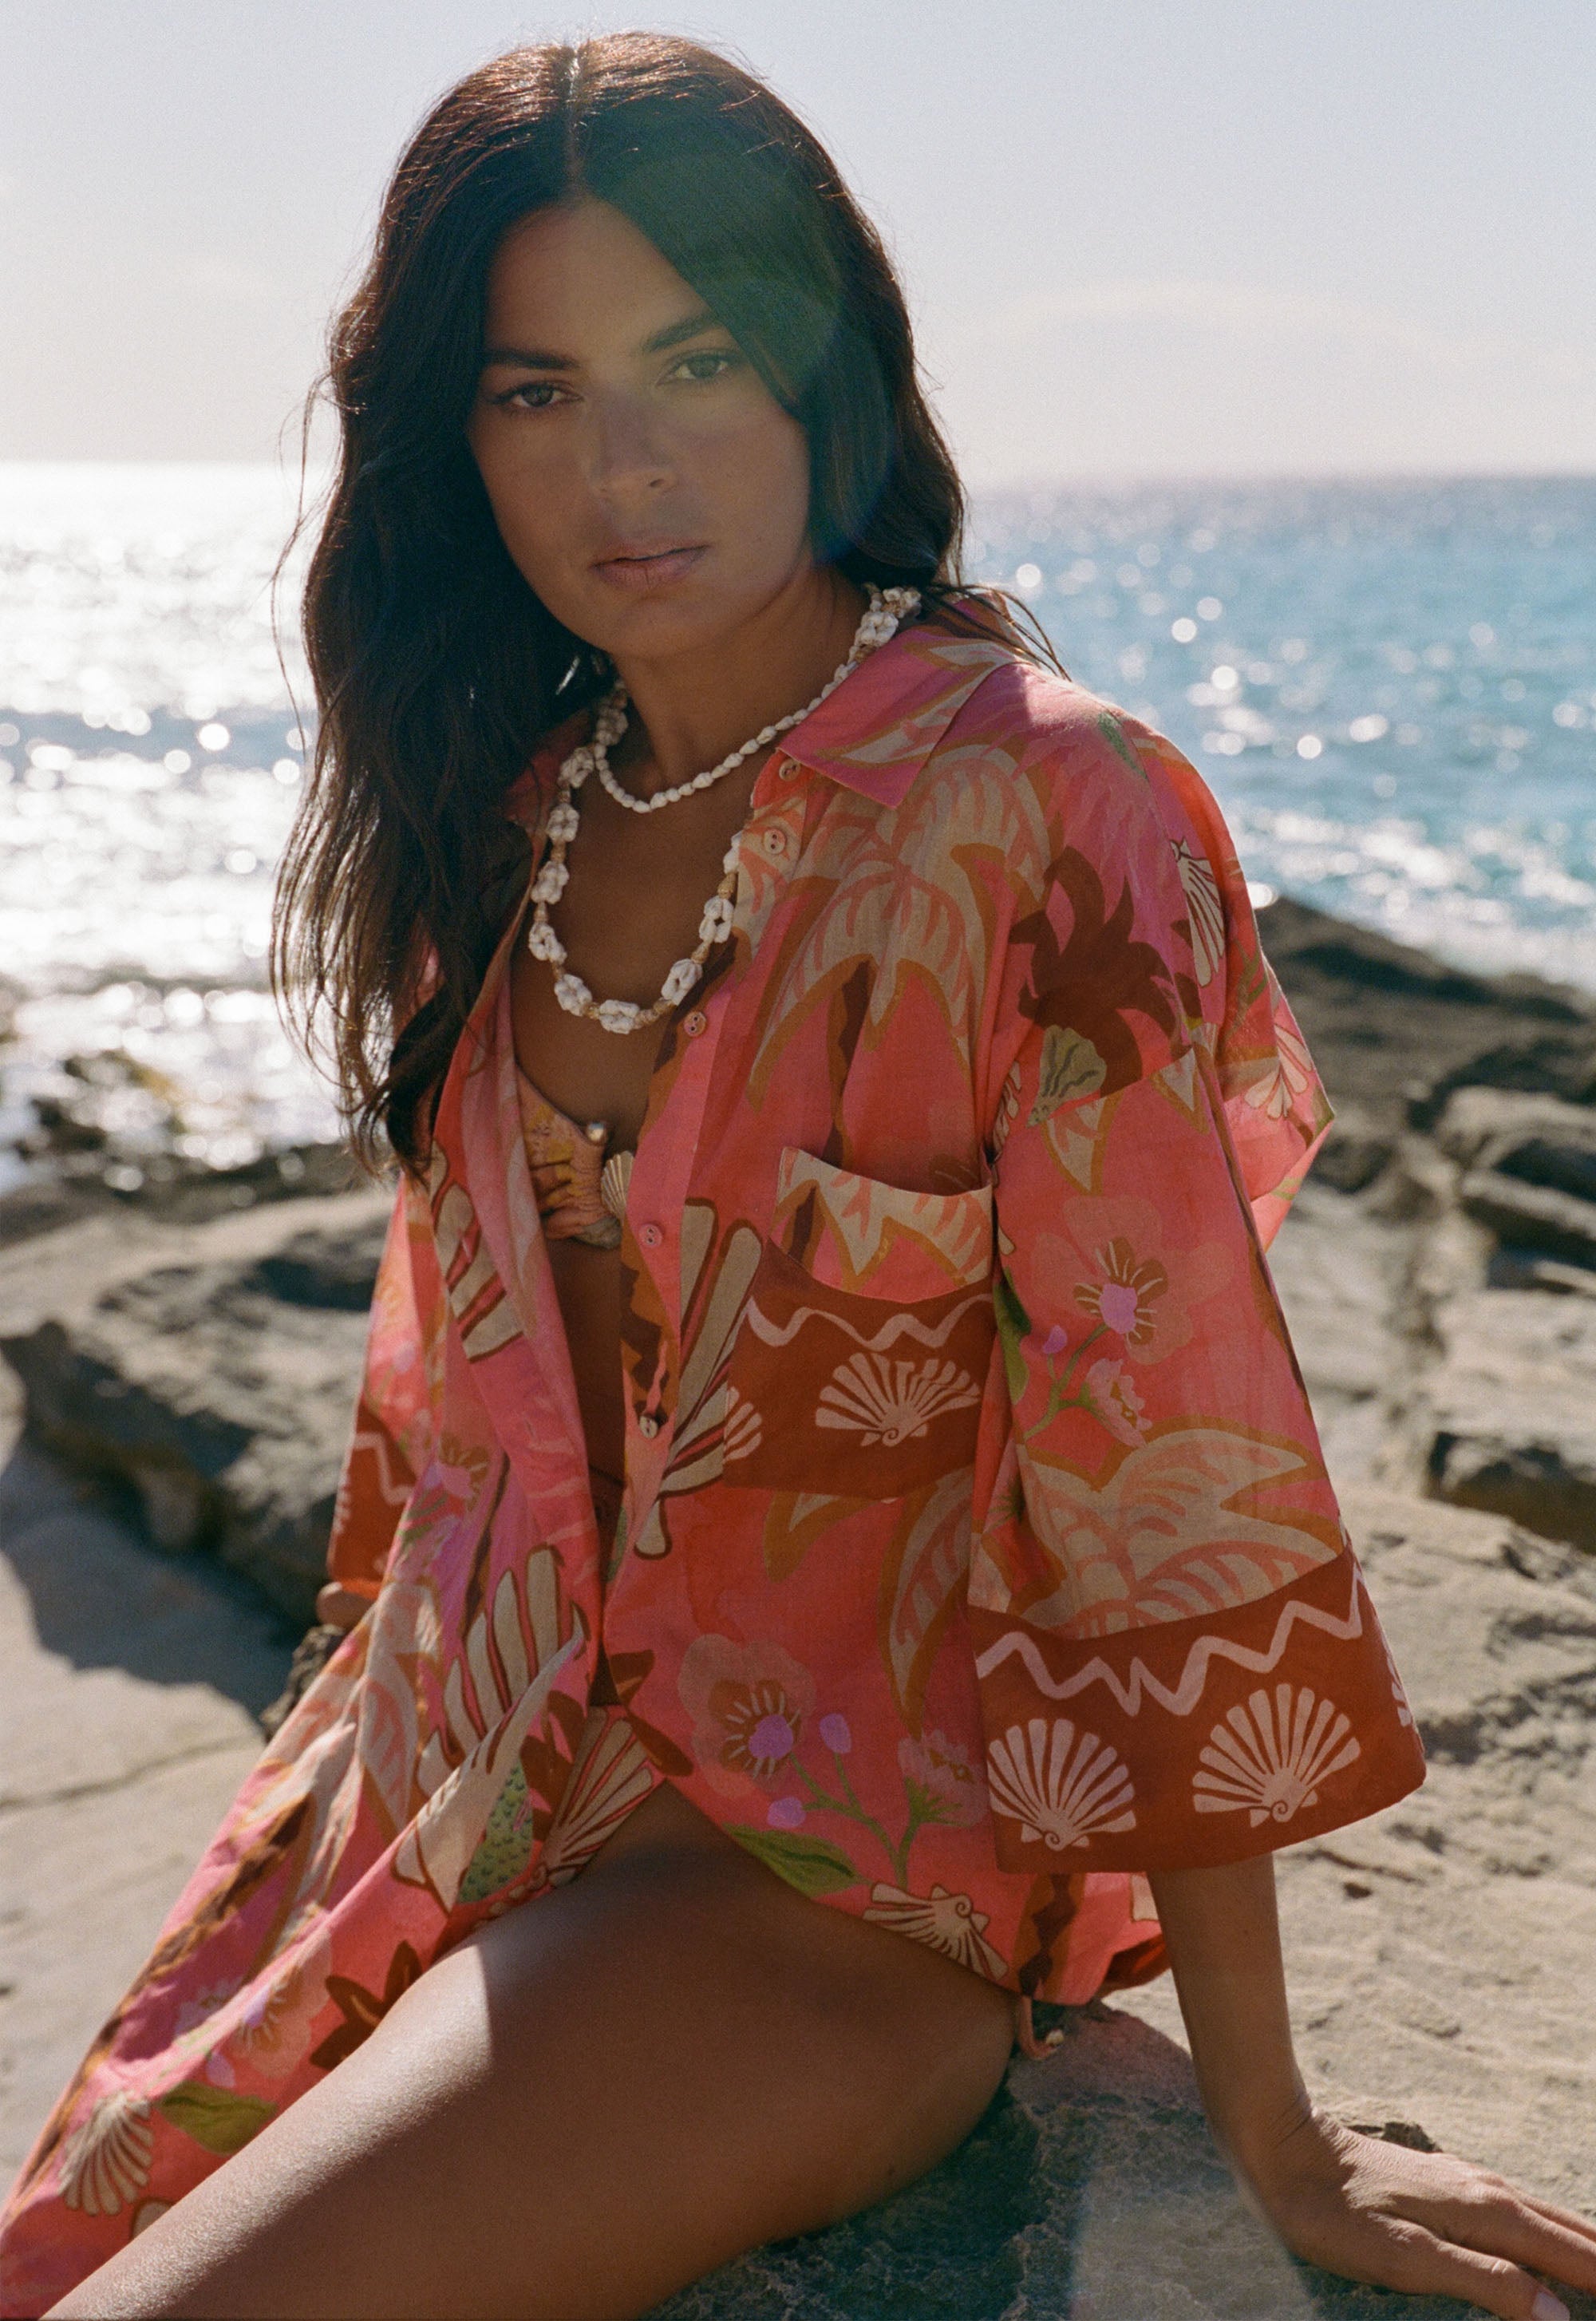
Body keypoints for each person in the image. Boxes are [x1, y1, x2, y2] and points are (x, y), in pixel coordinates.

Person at [3, 34, 1592, 2321]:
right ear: (452, 433)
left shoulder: (1043, 814)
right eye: (533, 389)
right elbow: (442, 1440)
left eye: (697, 360)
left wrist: (1280, 2127)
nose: (618, 465)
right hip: (430, 1808)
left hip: (812, 1888)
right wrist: (297, 1856)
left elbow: (1172, 1486)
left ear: (831, 371)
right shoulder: (511, 805)